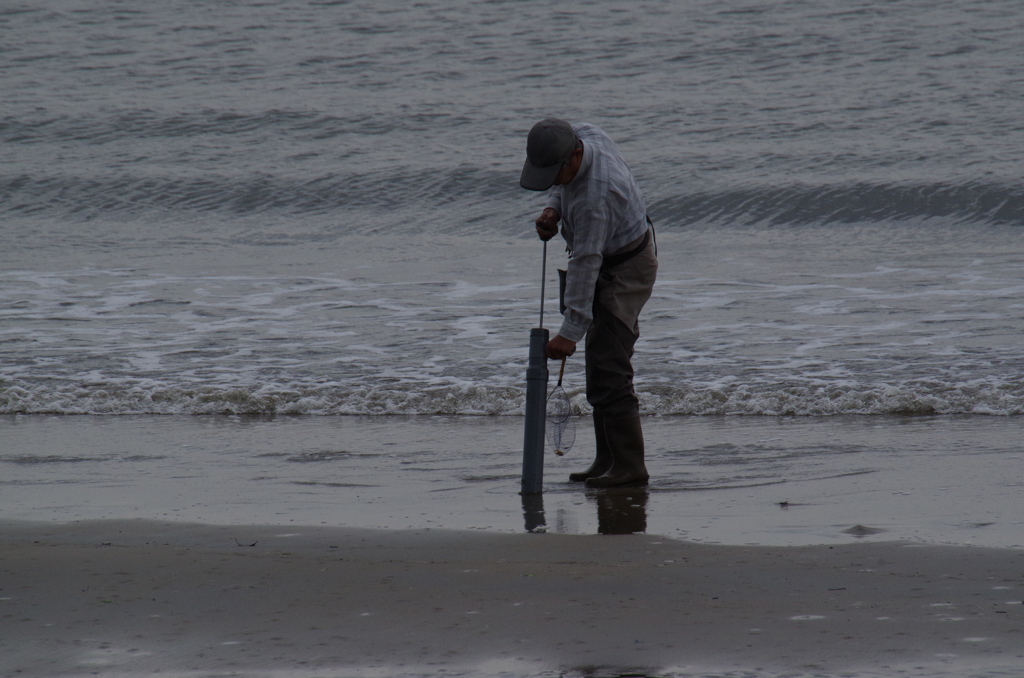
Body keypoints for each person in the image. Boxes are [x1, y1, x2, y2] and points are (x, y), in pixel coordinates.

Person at [520, 118, 658, 488]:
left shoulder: (596, 200)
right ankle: (606, 460)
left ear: (576, 156)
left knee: (609, 367)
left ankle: (630, 467)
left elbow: (585, 262)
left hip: (626, 270)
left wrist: (570, 331)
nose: (553, 182)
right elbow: (561, 186)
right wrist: (554, 209)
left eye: (555, 174)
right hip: (611, 255)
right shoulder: (585, 132)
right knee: (600, 367)